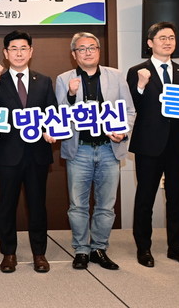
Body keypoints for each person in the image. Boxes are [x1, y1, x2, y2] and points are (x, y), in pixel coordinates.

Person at [55, 32, 135, 271]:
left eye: (92, 47)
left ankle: (99, 248)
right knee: (77, 205)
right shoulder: (64, 79)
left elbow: (129, 110)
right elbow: (58, 113)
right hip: (79, 150)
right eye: (82, 48)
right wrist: (71, 95)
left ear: (99, 51)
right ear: (74, 54)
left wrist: (123, 131)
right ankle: (81, 249)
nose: (87, 52)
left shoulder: (116, 76)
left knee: (106, 205)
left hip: (109, 149)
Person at [0, 30, 57, 273]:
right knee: (7, 205)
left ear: (31, 51)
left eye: (23, 48)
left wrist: (51, 130)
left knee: (37, 206)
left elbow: (52, 112)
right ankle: (9, 253)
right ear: (5, 53)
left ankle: (39, 253)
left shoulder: (43, 81)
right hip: (8, 154)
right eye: (13, 49)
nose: (18, 53)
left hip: (37, 154)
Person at [126, 21, 179, 267]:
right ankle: (143, 248)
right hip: (148, 144)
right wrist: (141, 86)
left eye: (171, 38)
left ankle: (177, 248)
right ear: (150, 43)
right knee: (145, 198)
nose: (168, 42)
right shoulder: (137, 71)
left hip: (176, 144)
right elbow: (131, 106)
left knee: (177, 198)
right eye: (162, 38)